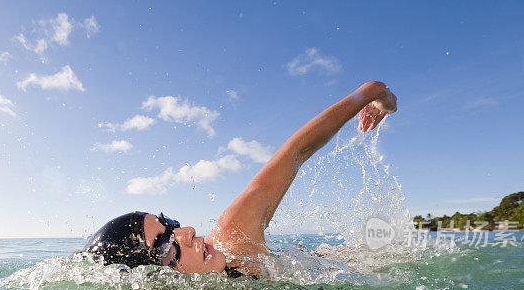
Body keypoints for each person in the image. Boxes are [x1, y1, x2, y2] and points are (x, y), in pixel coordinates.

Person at [84, 81, 397, 278]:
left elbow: (297, 151)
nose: (189, 232)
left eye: (171, 225)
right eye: (166, 245)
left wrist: (372, 93)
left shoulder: (234, 236)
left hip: (338, 265)